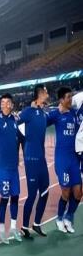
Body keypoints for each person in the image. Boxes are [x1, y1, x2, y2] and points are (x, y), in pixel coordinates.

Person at [0, 93, 23, 243]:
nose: (4, 105)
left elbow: (22, 138)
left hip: (14, 168)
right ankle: (1, 230)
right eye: (2, 102)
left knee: (15, 196)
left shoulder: (16, 120)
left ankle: (13, 228)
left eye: (7, 102)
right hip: (2, 168)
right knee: (4, 198)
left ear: (11, 105)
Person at [18, 84, 50, 238]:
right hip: (31, 158)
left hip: (42, 158)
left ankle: (36, 223)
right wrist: (25, 142)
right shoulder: (27, 112)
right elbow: (16, 126)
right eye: (45, 92)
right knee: (32, 195)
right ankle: (24, 227)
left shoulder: (43, 113)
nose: (47, 94)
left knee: (45, 191)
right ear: (40, 93)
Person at [47, 87, 81, 233]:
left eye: (71, 96)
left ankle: (68, 217)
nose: (71, 99)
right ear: (61, 100)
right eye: (68, 97)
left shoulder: (74, 113)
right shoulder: (56, 114)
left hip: (74, 159)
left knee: (78, 193)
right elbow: (41, 122)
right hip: (62, 159)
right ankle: (59, 218)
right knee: (66, 191)